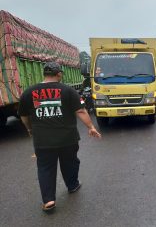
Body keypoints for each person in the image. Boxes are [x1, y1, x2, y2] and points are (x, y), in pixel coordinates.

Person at [18, 62, 102, 212]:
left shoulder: (29, 92)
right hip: (67, 138)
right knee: (70, 162)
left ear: (44, 74)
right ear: (59, 74)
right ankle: (72, 185)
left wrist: (30, 129)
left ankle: (49, 200)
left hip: (42, 140)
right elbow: (81, 111)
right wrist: (91, 127)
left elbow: (24, 116)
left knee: (45, 168)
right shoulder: (68, 90)